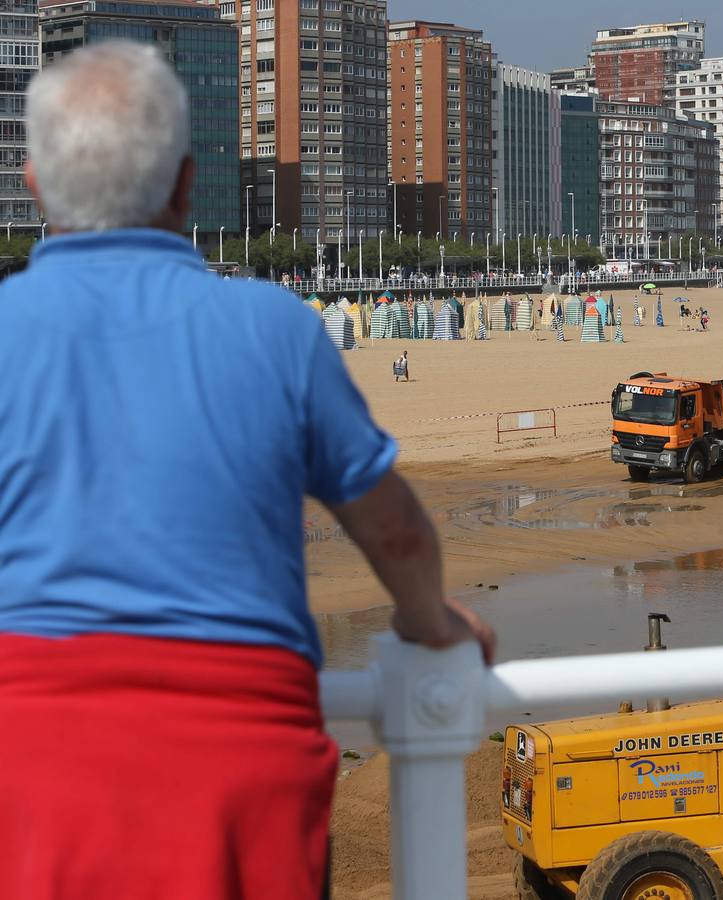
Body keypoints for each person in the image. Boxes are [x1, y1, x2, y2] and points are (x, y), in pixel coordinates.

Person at [0, 42, 494, 900]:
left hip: (27, 754)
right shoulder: (274, 328)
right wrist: (430, 622)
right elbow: (399, 531)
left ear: (36, 185)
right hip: (237, 760)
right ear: (188, 184)